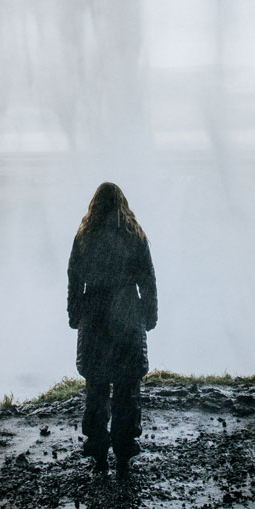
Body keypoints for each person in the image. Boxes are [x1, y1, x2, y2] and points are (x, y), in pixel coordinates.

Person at [67, 182, 157, 475]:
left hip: (94, 317)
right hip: (128, 316)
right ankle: (124, 453)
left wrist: (74, 313)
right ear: (123, 206)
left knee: (96, 387)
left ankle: (98, 451)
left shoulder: (84, 237)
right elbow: (148, 279)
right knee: (127, 388)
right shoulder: (135, 236)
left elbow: (74, 278)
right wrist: (149, 314)